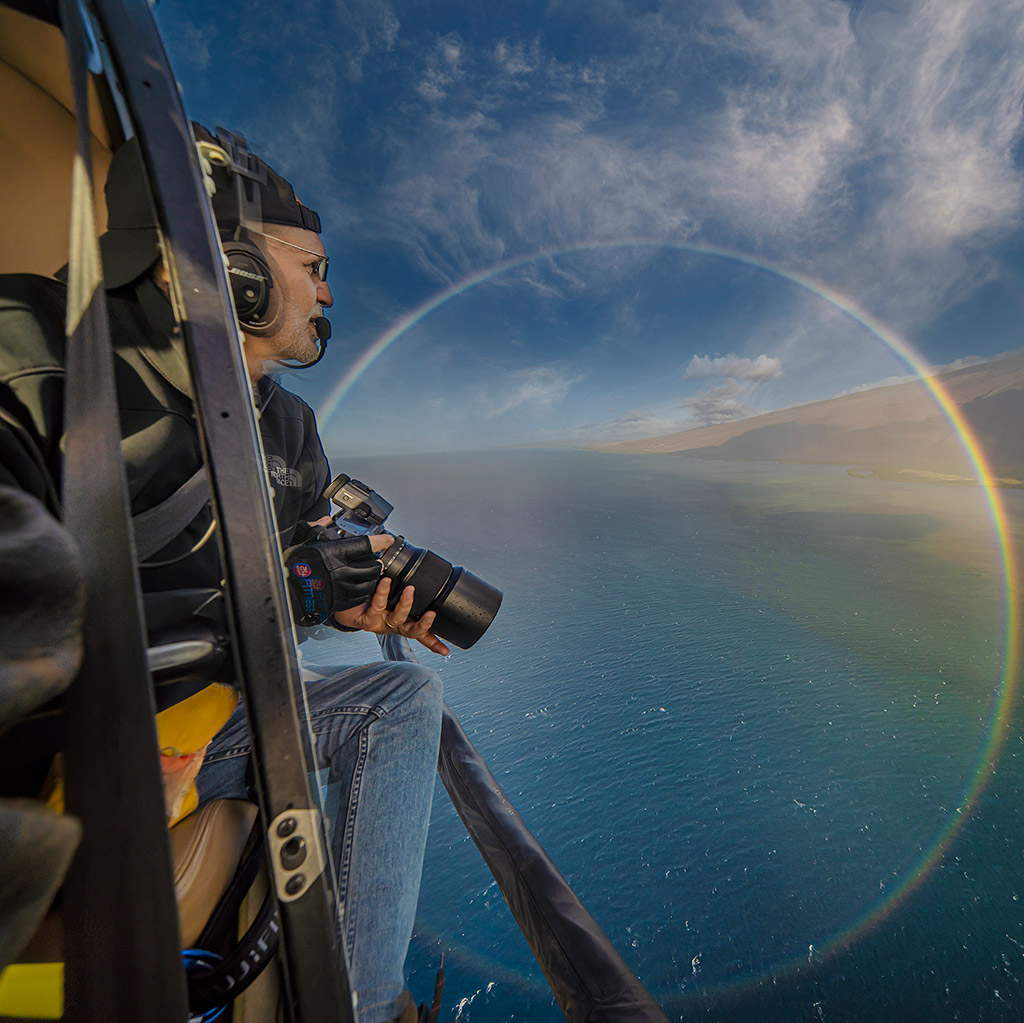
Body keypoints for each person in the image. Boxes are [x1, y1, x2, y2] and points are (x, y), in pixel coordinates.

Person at [0, 126, 444, 1023]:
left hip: (213, 716)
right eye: (310, 265)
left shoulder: (289, 428)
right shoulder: (36, 348)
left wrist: (341, 604)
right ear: (223, 258)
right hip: (63, 737)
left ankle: (355, 1007)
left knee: (401, 699)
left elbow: (290, 567)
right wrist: (285, 590)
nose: (326, 293)